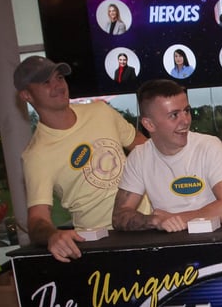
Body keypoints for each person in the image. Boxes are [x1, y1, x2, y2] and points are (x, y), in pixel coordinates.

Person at [15, 55, 147, 262]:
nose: (57, 86)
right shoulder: (37, 155)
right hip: (104, 245)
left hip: (151, 224)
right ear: (26, 95)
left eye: (59, 78)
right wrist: (52, 235)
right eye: (46, 82)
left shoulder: (101, 111)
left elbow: (143, 148)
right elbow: (37, 218)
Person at [112, 80, 222, 231]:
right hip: (170, 247)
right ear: (149, 124)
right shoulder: (139, 157)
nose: (185, 121)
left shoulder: (209, 146)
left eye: (186, 111)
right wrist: (154, 221)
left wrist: (175, 220)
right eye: (174, 115)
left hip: (213, 242)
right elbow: (119, 216)